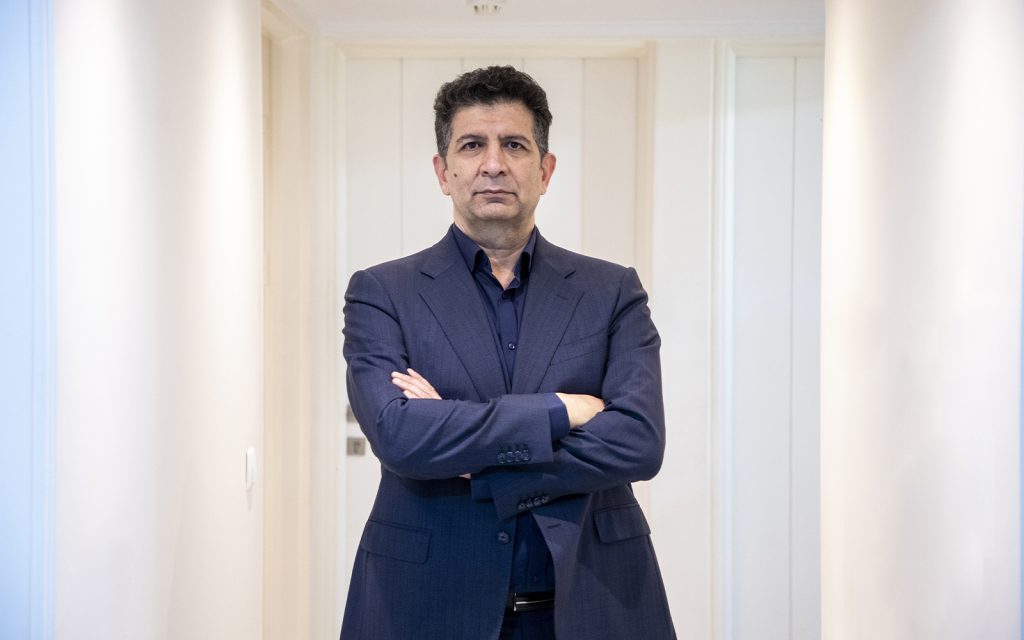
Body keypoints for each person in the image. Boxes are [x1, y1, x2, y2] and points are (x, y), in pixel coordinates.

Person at [340, 65, 676, 640]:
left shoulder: (611, 291)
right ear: (443, 172)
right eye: (472, 145)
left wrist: (479, 462)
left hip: (594, 603)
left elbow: (638, 442)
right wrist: (562, 411)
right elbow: (399, 437)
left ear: (545, 171)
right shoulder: (382, 293)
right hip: (424, 605)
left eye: (514, 145)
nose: (493, 163)